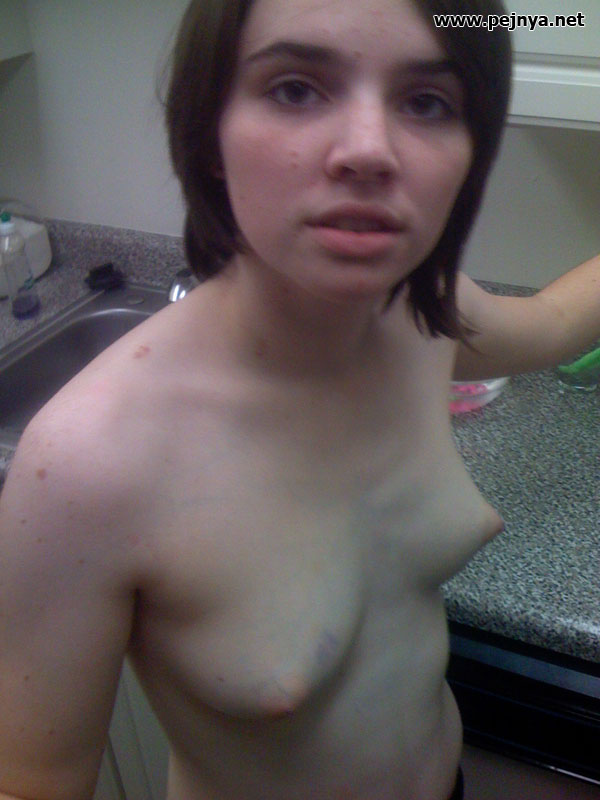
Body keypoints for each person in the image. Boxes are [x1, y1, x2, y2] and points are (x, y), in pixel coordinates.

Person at [0, 0, 599, 798]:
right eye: (294, 89)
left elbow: (554, 321)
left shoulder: (422, 317)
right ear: (209, 134)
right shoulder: (86, 462)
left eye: (427, 102)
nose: (369, 150)